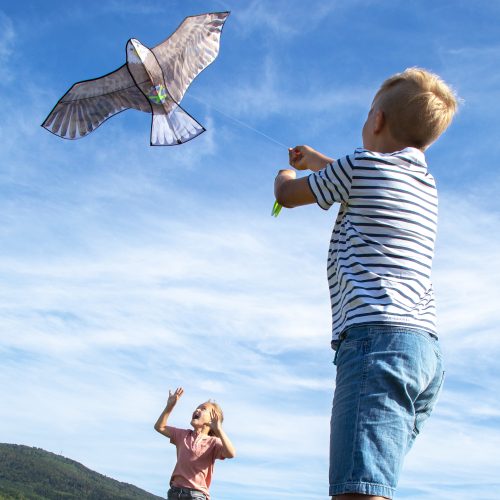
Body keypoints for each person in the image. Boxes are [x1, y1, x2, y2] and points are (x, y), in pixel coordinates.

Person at [274, 68, 458, 500]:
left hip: (377, 342)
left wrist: (285, 174)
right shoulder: (425, 184)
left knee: (359, 490)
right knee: (373, 480)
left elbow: (290, 195)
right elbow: (357, 176)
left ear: (376, 120)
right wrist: (318, 161)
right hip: (423, 352)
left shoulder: (359, 167)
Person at [154, 387, 236, 500]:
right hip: (174, 492)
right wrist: (169, 406)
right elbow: (159, 427)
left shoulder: (213, 442)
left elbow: (231, 453)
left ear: (213, 418)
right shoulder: (182, 435)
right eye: (197, 408)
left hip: (196, 495)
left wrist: (219, 430)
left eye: (203, 409)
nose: (197, 410)